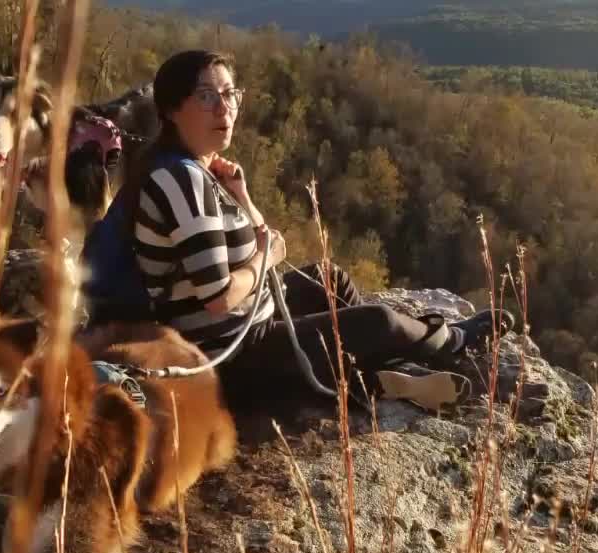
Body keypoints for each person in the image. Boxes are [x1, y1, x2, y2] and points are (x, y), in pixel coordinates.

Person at [109, 49, 500, 408]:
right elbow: (219, 299)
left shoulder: (195, 168)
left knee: (330, 280)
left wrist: (242, 197)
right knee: (378, 320)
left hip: (252, 321)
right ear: (171, 109)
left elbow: (261, 239)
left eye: (230, 94)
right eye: (207, 96)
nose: (224, 109)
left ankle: (375, 365)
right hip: (230, 358)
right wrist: (268, 256)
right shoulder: (179, 180)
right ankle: (450, 343)